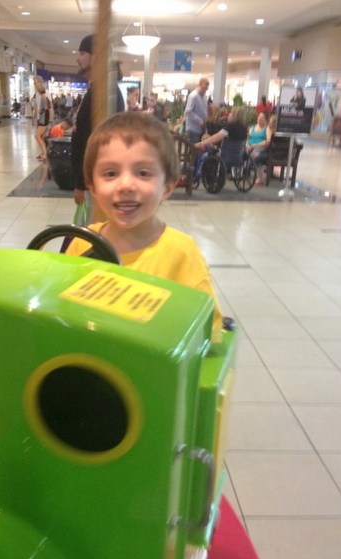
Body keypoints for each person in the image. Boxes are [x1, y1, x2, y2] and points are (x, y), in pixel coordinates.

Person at [66, 111, 222, 340]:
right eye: (110, 173)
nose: (126, 185)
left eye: (143, 173)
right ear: (93, 187)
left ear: (167, 187)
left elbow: (208, 332)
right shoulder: (81, 244)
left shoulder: (182, 254)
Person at [71, 33, 125, 214]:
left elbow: (95, 143)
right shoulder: (99, 89)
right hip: (93, 181)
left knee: (92, 235)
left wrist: (82, 183)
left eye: (82, 53)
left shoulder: (103, 93)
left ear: (96, 57)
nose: (78, 58)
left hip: (95, 183)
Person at [194, 106, 248, 172]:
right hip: (238, 159)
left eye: (230, 113)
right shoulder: (245, 128)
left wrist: (201, 143)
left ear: (234, 115)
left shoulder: (230, 127)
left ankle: (197, 173)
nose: (228, 114)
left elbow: (216, 137)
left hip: (226, 157)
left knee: (202, 151)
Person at [250, 114, 277, 184]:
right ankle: (259, 176)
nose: (269, 124)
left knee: (256, 155)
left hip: (272, 154)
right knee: (256, 153)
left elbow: (268, 144)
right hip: (274, 153)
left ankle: (260, 178)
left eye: (271, 123)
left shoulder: (273, 134)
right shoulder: (275, 132)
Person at [32, 76, 53, 162]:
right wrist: (34, 118)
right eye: (34, 82)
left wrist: (50, 120)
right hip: (39, 118)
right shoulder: (36, 94)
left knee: (37, 136)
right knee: (41, 136)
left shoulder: (46, 93)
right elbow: (36, 107)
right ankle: (43, 152)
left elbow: (50, 107)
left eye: (36, 82)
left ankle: (44, 154)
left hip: (44, 118)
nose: (35, 84)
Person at [184, 77, 210, 144]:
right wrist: (199, 120)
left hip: (201, 128)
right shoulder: (193, 96)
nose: (205, 91)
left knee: (199, 149)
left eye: (206, 89)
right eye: (203, 88)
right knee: (194, 150)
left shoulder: (204, 96)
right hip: (193, 128)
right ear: (199, 85)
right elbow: (188, 112)